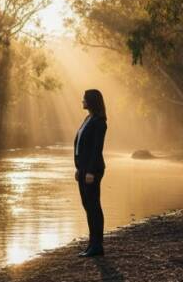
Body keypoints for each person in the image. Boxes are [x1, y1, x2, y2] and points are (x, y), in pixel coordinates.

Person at [73, 89, 108, 257]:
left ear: (91, 101)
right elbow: (80, 145)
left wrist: (91, 172)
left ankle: (97, 246)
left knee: (94, 206)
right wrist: (79, 168)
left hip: (92, 170)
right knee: (87, 205)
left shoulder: (99, 122)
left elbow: (96, 149)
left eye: (84, 99)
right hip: (84, 169)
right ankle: (92, 244)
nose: (82, 101)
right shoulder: (88, 119)